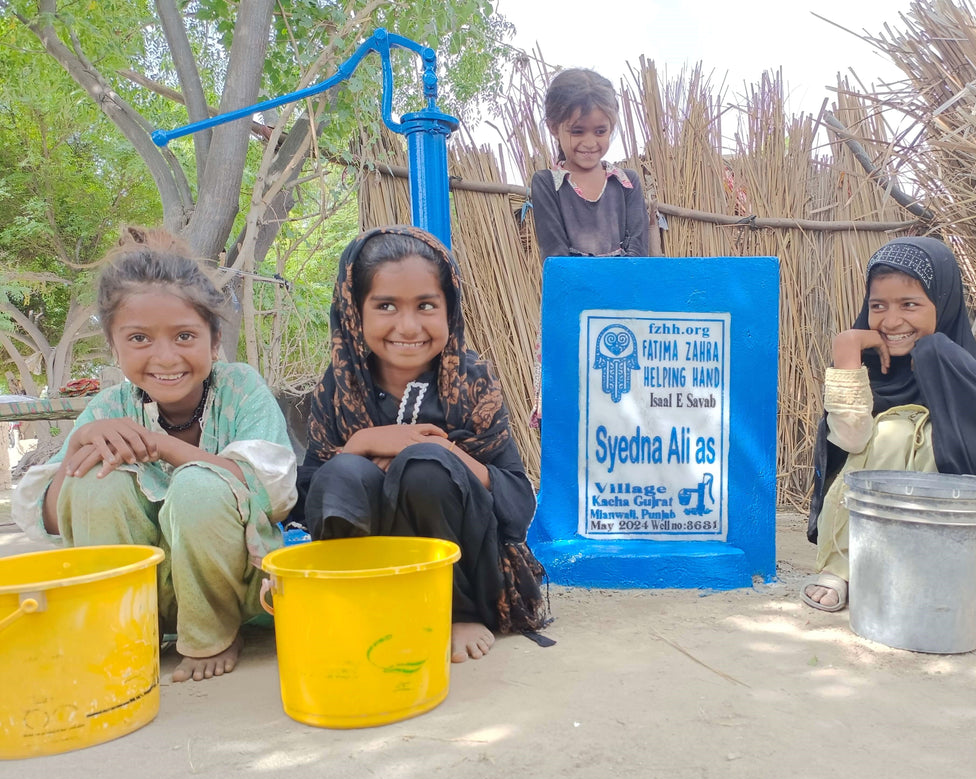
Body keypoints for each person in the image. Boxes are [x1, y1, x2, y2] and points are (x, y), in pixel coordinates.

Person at [13, 227, 297, 681]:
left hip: (235, 586)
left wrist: (164, 447)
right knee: (92, 479)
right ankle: (124, 632)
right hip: (151, 596)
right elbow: (48, 518)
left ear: (214, 339)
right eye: (140, 339)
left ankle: (212, 636)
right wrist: (80, 449)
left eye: (184, 336)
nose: (164, 357)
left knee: (201, 487)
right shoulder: (108, 409)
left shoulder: (240, 387)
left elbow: (269, 489)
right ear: (114, 346)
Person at [292, 225, 548, 662]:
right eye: (386, 306)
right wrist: (363, 441)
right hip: (377, 566)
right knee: (342, 472)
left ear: (449, 310)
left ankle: (455, 611)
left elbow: (518, 504)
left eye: (426, 305)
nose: (408, 326)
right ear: (356, 313)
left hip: (469, 570)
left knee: (426, 468)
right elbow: (307, 502)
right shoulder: (337, 391)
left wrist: (447, 452)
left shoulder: (472, 385)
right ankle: (355, 602)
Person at [803, 236, 976, 612]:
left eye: (910, 304)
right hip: (865, 514)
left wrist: (935, 357)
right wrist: (847, 349)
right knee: (888, 432)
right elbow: (850, 441)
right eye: (878, 306)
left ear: (943, 302)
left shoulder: (962, 367)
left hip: (942, 522)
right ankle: (844, 567)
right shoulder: (868, 366)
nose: (891, 320)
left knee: (925, 437)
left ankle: (959, 578)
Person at [528, 68, 649, 428]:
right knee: (569, 406)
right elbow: (556, 258)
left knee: (624, 411)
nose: (590, 142)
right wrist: (599, 285)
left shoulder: (627, 184)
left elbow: (638, 254)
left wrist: (614, 291)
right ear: (554, 127)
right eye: (577, 131)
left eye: (601, 131)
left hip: (625, 311)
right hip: (569, 312)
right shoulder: (547, 184)